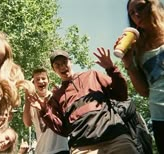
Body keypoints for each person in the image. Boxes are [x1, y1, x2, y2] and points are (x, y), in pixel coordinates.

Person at [28, 48, 139, 154]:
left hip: (116, 139)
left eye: (64, 62)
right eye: (57, 65)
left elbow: (121, 94)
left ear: (70, 62)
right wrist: (44, 111)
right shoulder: (57, 96)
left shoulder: (92, 75)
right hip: (83, 148)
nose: (62, 66)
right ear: (53, 69)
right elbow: (62, 129)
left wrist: (111, 68)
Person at [118, 0, 164, 153]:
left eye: (140, 7)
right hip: (160, 117)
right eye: (132, 13)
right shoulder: (138, 47)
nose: (136, 14)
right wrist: (128, 62)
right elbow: (144, 91)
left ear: (154, 4)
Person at [23, 68, 70, 154]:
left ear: (48, 81)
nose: (41, 81)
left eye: (43, 78)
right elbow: (27, 123)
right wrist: (27, 97)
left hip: (62, 148)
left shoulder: (56, 96)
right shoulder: (31, 102)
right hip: (42, 150)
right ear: (33, 83)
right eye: (37, 79)